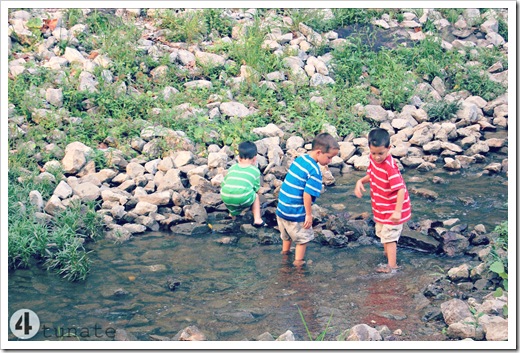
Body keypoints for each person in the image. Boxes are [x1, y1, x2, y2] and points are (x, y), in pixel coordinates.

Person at [276, 133, 340, 266]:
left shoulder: (300, 159)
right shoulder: (314, 171)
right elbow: (307, 194)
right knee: (302, 240)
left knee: (287, 235)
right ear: (318, 152)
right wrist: (309, 215)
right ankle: (298, 264)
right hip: (295, 212)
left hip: (282, 209)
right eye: (329, 157)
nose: (330, 161)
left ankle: (285, 256)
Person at [354, 128, 411, 273]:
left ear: (389, 149)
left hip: (393, 208)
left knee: (390, 236)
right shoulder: (373, 160)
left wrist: (397, 212)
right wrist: (361, 181)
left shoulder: (389, 167)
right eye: (373, 153)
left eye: (381, 153)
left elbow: (400, 189)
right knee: (382, 233)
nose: (377, 157)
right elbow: (372, 174)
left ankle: (392, 267)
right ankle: (388, 254)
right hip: (381, 207)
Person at [221, 141, 266, 227]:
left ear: (239, 157)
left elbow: (223, 184)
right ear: (255, 159)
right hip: (241, 198)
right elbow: (255, 188)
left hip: (225, 197)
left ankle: (232, 215)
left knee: (231, 191)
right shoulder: (255, 171)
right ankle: (258, 219)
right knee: (255, 196)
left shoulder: (232, 168)